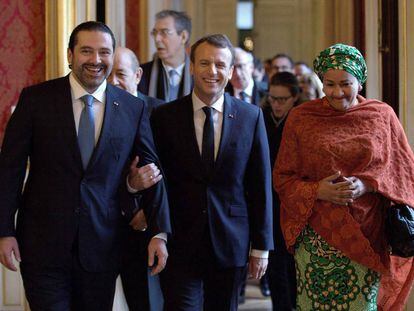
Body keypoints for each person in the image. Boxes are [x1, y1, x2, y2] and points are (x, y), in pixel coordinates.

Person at [0, 21, 171, 311]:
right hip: (43, 245)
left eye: (104, 52)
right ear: (70, 55)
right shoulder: (36, 100)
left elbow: (151, 172)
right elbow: (9, 170)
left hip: (102, 247)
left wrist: (159, 233)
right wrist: (4, 230)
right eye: (86, 51)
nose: (95, 60)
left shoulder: (132, 108)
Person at [274, 43, 414, 310]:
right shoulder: (302, 118)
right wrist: (317, 190)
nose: (337, 93)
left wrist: (366, 184)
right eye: (329, 84)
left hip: (368, 233)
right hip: (316, 236)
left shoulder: (381, 115)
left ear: (360, 81)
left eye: (345, 83)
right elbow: (283, 177)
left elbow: (403, 172)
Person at [148, 34, 273, 310]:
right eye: (204, 63)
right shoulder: (164, 117)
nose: (212, 71)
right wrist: (157, 233)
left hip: (230, 242)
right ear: (191, 66)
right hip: (179, 240)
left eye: (220, 65)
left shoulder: (250, 117)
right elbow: (160, 182)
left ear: (230, 71)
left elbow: (260, 184)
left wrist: (261, 246)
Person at [108, 47, 165, 311]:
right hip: (103, 227)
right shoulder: (96, 110)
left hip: (147, 230)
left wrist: (149, 214)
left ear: (138, 75)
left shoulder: (161, 113)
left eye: (120, 74)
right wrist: (131, 189)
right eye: (108, 74)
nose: (113, 82)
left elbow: (171, 175)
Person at [262, 72, 301, 310]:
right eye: (272, 99)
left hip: (296, 202)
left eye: (282, 99)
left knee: (294, 265)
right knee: (275, 264)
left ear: (295, 97)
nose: (276, 104)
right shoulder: (261, 117)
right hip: (270, 201)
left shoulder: (303, 119)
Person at [138, 10, 192, 101]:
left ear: (183, 37)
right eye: (155, 33)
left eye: (164, 32)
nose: (157, 39)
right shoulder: (141, 74)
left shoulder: (198, 74)